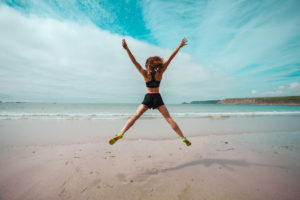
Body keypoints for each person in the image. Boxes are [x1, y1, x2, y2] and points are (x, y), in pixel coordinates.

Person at [109, 38, 191, 146]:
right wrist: (179, 46)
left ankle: (121, 133)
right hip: (157, 97)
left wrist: (127, 49)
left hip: (148, 97)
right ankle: (183, 138)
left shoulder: (144, 73)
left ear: (148, 65)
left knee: (135, 117)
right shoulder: (160, 73)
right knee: (168, 118)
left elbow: (134, 62)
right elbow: (170, 58)